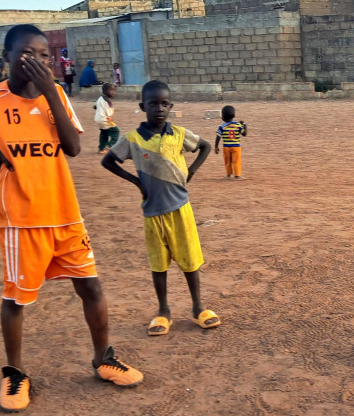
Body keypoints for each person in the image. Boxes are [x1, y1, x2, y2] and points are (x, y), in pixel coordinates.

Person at [0, 23, 143, 412]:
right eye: (27, 53)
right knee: (16, 299)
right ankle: (15, 373)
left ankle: (104, 358)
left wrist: (51, 92)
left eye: (44, 55)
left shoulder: (57, 97)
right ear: (7, 57)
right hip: (21, 218)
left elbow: (72, 148)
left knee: (91, 288)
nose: (37, 60)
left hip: (65, 214)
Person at [102, 80, 215, 336]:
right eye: (153, 104)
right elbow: (108, 161)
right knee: (159, 265)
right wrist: (135, 181)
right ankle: (164, 311)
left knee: (190, 260)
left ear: (170, 106)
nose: (159, 109)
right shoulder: (133, 139)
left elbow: (205, 146)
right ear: (143, 106)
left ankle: (198, 308)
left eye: (164, 104)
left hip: (181, 209)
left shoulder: (179, 134)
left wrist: (191, 171)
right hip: (153, 213)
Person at [216, 105, 248, 179]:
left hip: (226, 147)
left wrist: (216, 146)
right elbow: (244, 134)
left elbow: (218, 136)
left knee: (227, 161)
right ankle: (237, 175)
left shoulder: (222, 126)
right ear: (234, 115)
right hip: (236, 147)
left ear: (222, 117)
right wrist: (244, 125)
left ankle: (228, 175)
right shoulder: (238, 125)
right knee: (236, 161)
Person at [94, 83, 119, 153]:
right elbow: (109, 113)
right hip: (104, 119)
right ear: (105, 91)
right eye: (111, 91)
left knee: (104, 133)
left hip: (98, 119)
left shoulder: (100, 98)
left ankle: (101, 148)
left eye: (114, 90)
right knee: (116, 131)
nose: (113, 92)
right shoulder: (107, 101)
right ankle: (108, 147)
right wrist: (112, 109)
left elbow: (95, 106)